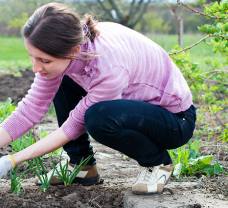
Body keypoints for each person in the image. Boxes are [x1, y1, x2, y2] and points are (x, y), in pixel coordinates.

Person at [0, 2, 196, 194]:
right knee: (60, 78)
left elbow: (71, 127)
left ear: (74, 50)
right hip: (135, 108)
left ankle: (157, 163)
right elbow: (29, 110)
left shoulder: (108, 65)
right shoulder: (70, 48)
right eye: (32, 57)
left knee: (98, 118)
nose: (35, 67)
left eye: (44, 60)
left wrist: (13, 160)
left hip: (174, 120)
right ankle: (82, 166)